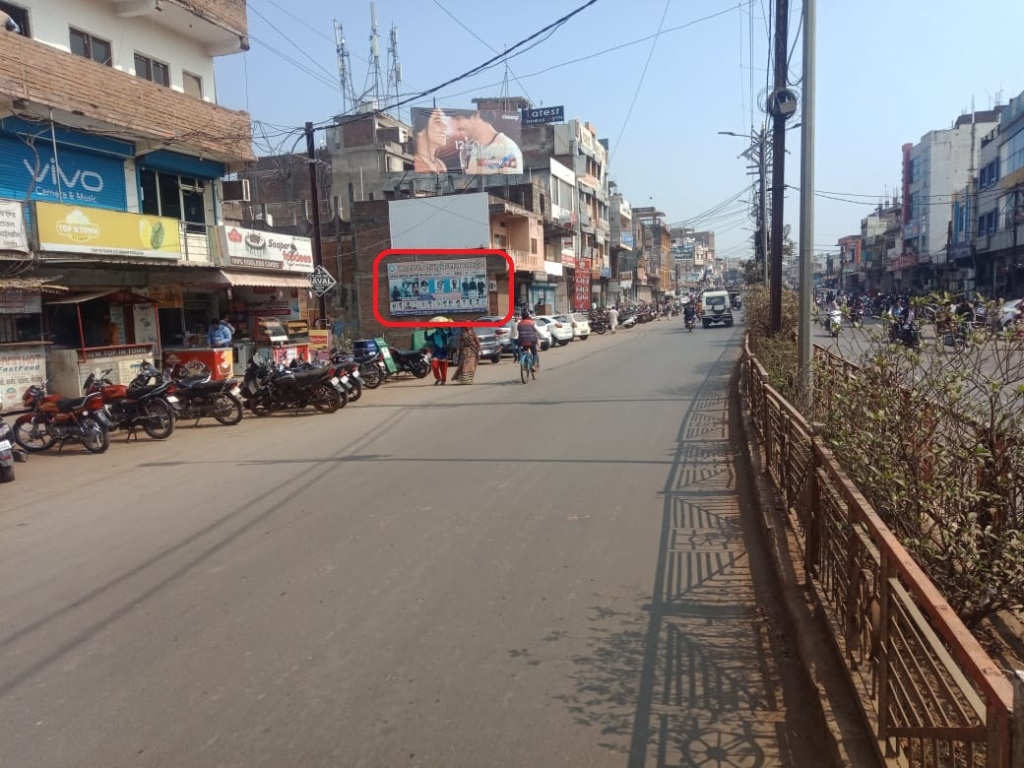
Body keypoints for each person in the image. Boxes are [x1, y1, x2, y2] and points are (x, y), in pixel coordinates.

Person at [449, 110, 523, 174]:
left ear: (476, 115)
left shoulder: (508, 149)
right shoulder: (465, 151)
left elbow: (511, 183)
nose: (455, 127)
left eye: (458, 119)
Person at [412, 107, 452, 173]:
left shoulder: (440, 164)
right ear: (421, 130)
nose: (445, 127)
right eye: (437, 121)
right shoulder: (417, 163)